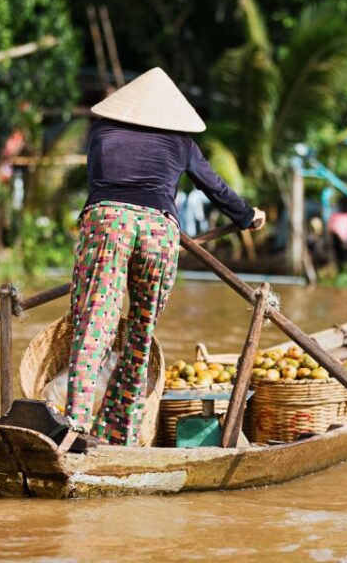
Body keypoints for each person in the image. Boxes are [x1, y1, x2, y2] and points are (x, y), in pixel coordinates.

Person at [66, 67, 265, 445]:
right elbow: (216, 188)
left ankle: (75, 425)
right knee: (140, 335)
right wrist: (247, 216)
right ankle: (117, 434)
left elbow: (99, 184)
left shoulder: (102, 133)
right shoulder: (181, 143)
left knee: (95, 325)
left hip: (108, 222)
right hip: (159, 231)